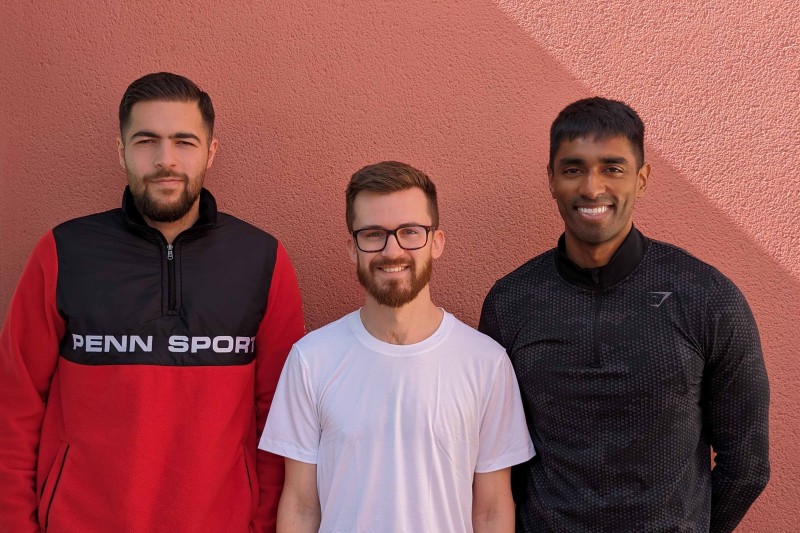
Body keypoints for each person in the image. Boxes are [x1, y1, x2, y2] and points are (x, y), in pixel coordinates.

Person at [0, 72, 304, 532]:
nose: (166, 160)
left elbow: (280, 422)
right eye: (146, 141)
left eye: (184, 141)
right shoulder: (64, 252)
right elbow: (14, 406)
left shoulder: (262, 259)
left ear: (211, 151)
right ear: (121, 150)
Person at [479, 97, 770, 532]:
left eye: (612, 168)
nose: (592, 188)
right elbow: (497, 458)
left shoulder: (707, 296)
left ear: (642, 178)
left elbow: (747, 462)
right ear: (552, 180)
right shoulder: (512, 301)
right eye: (573, 168)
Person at [260, 161, 534, 532]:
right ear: (352, 249)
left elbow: (491, 509)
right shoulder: (311, 359)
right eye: (373, 234)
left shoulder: (486, 363)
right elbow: (301, 506)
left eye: (409, 231)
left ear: (436, 242)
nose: (392, 250)